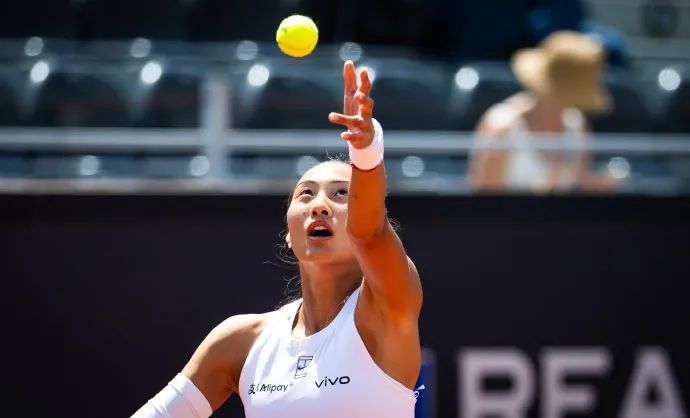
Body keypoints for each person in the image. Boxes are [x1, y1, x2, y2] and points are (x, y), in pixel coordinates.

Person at [131, 60, 423, 418]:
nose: (319, 205)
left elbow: (370, 233)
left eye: (342, 194)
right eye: (306, 194)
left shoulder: (389, 306)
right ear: (288, 234)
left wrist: (366, 153)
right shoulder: (241, 341)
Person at [469, 31, 617, 193]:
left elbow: (579, 184)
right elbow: (483, 200)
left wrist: (599, 185)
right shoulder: (501, 127)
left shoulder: (577, 125)